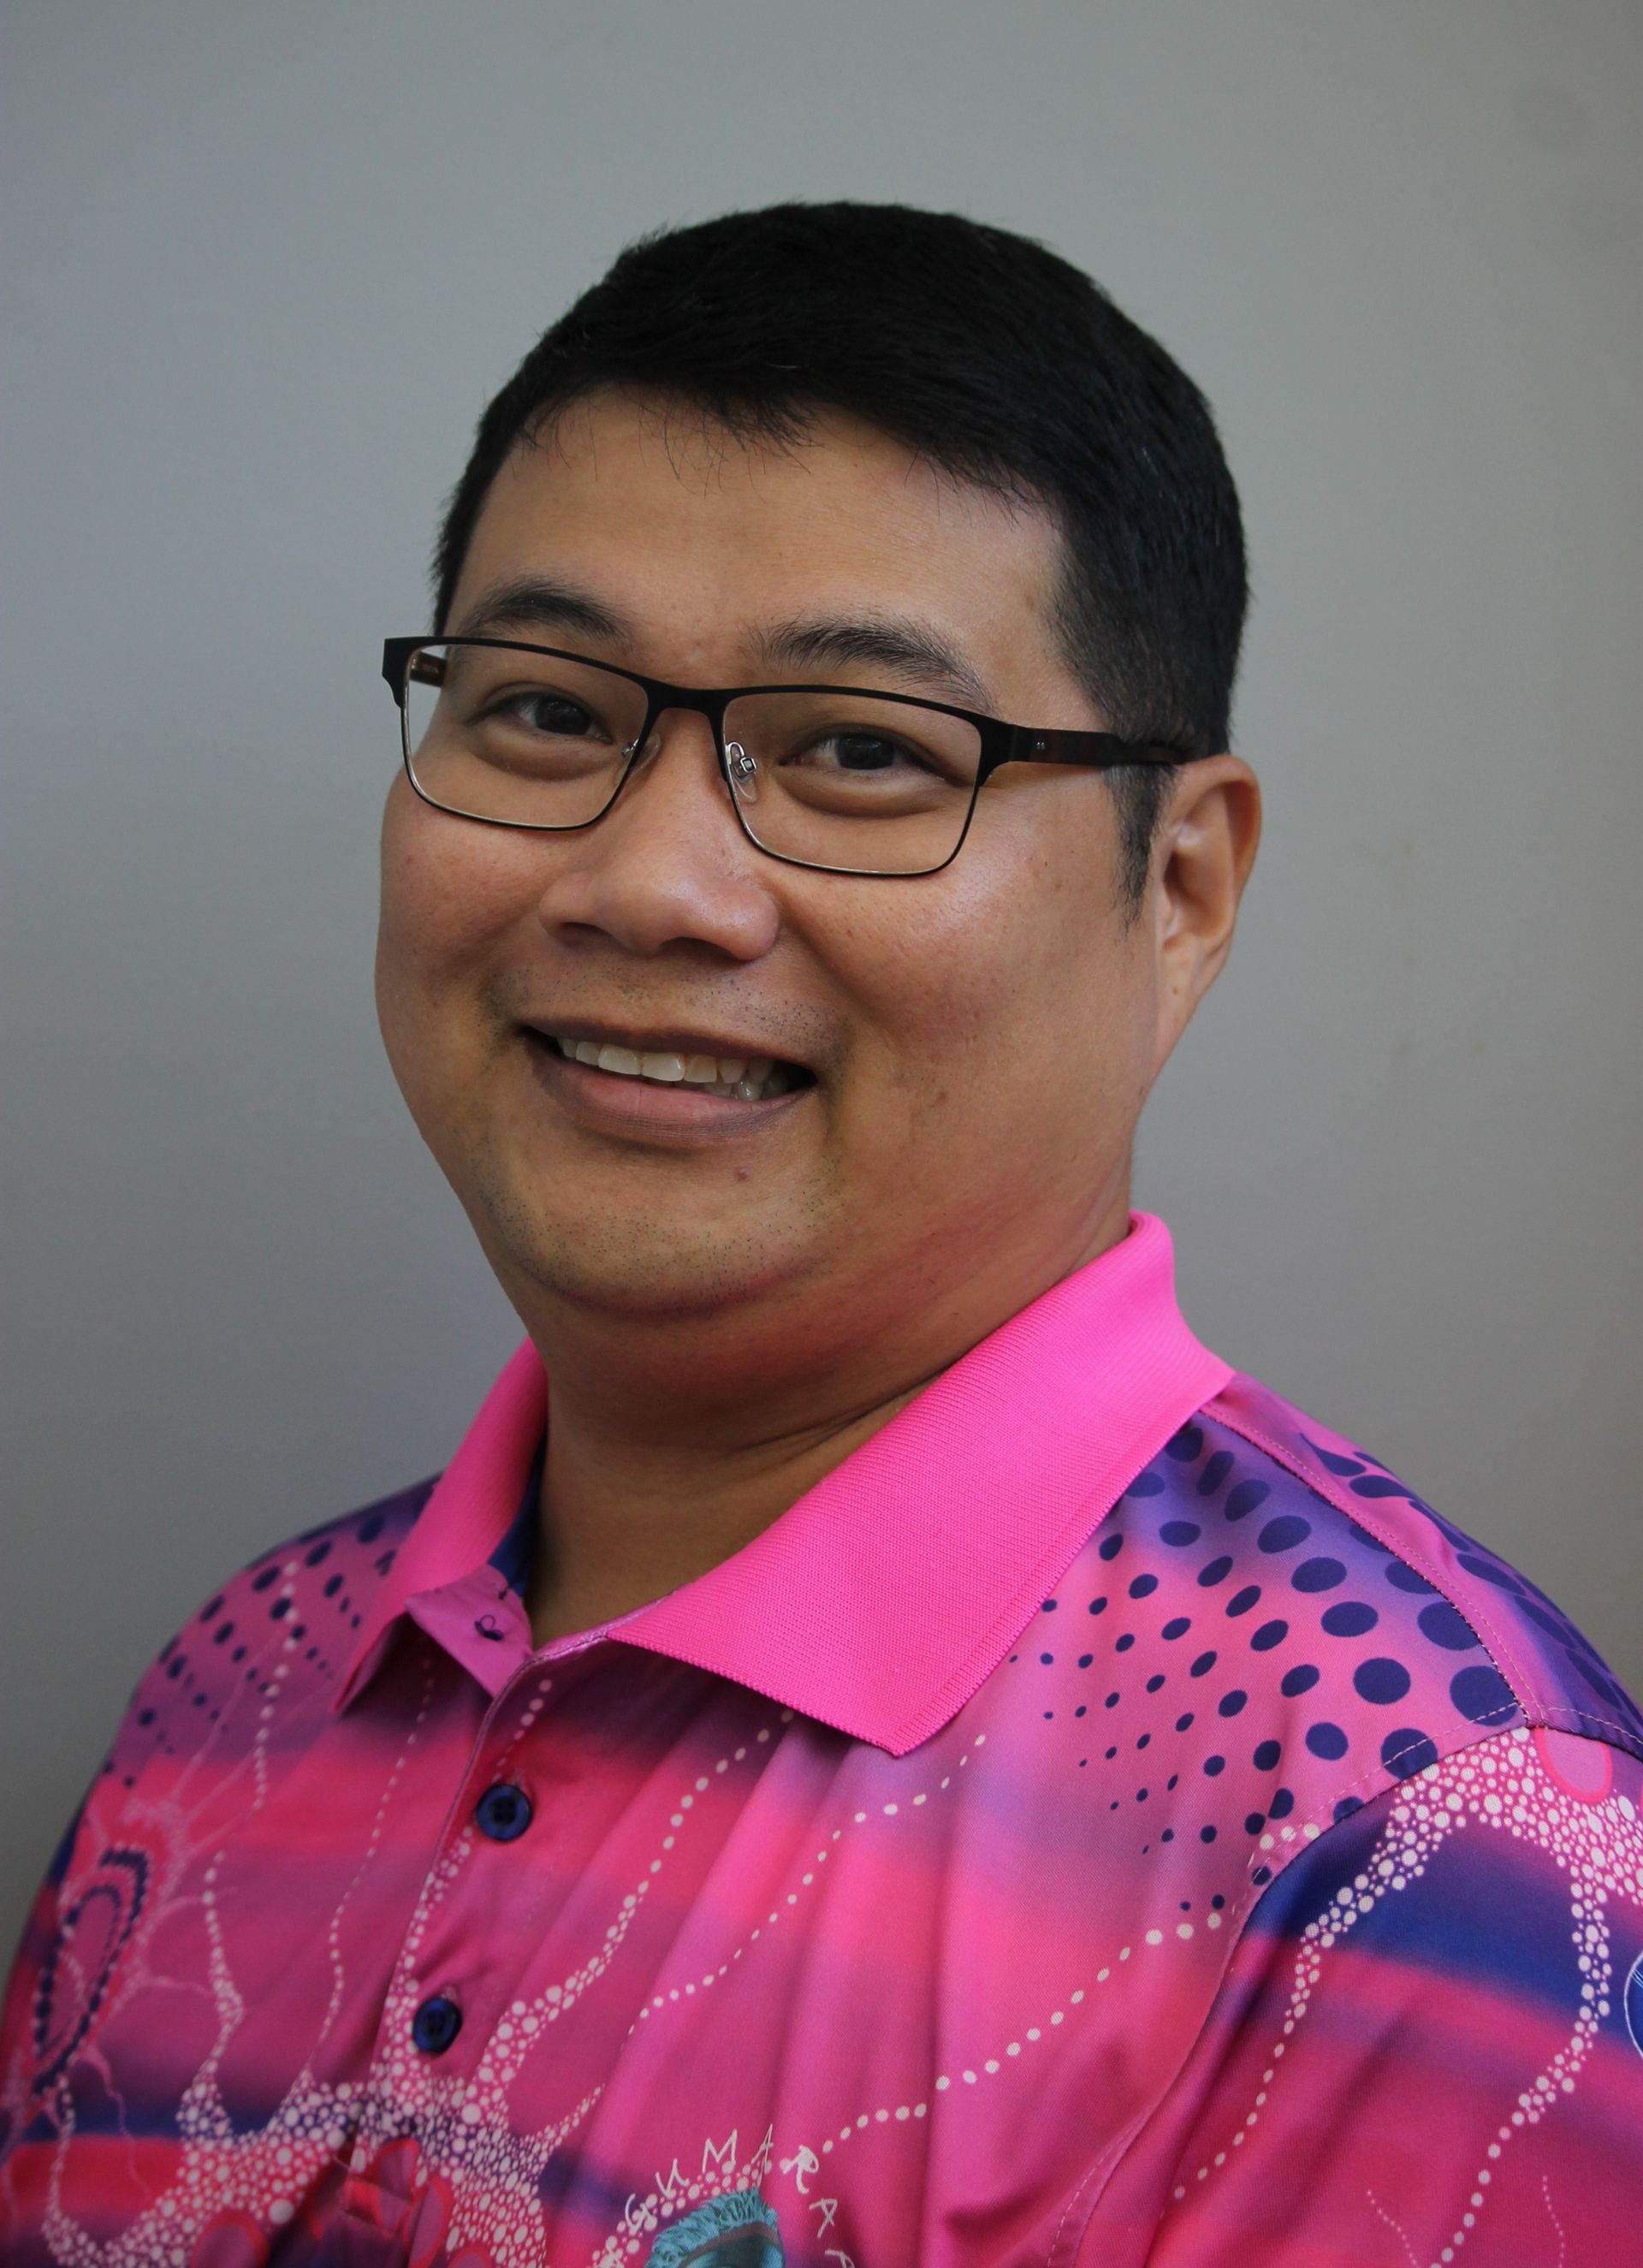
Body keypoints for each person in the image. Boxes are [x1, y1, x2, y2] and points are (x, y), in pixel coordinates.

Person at [2, 201, 1638, 2268]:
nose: (652, 881)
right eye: (541, 710)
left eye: (865, 751)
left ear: (1182, 888)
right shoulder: (226, 1697)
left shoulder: (1423, 1838)